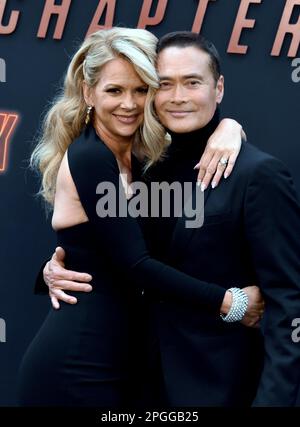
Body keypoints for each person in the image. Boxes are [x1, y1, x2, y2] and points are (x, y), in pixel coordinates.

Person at [45, 32, 300, 407]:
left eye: (193, 82)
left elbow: (288, 304)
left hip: (222, 388)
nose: (178, 97)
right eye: (164, 85)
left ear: (219, 88)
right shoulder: (144, 167)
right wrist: (52, 268)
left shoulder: (258, 174)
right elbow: (119, 252)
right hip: (135, 381)